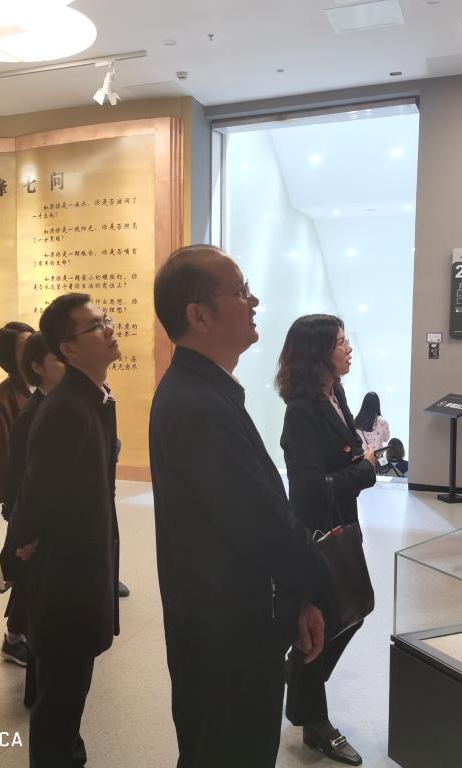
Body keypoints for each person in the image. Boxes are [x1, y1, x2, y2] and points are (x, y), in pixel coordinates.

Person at [149, 245, 329, 768]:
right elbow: (260, 521)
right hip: (225, 636)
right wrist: (319, 582)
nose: (254, 301)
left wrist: (299, 594)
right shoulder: (197, 404)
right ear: (199, 316)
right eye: (240, 291)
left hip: (230, 622)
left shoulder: (205, 391)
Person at [6, 293, 121, 767]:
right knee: (58, 704)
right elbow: (34, 497)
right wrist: (18, 550)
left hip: (84, 572)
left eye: (105, 319)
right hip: (66, 582)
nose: (109, 328)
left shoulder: (93, 398)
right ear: (68, 349)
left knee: (70, 696)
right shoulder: (66, 410)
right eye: (95, 326)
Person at [276, 314, 378, 766]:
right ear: (318, 353)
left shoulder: (334, 391)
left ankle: (299, 684)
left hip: (342, 526)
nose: (348, 348)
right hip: (315, 531)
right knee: (325, 622)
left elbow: (343, 453)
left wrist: (360, 458)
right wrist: (366, 470)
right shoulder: (301, 410)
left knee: (351, 612)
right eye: (340, 342)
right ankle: (314, 723)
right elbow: (312, 488)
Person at [0, 331, 66, 708]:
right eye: (58, 358)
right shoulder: (32, 413)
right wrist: (25, 530)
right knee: (34, 600)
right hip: (36, 529)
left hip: (45, 527)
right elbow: (22, 480)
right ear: (37, 367)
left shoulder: (60, 403)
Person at [0, 320, 35, 667]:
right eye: (24, 346)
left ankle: (22, 631)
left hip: (41, 493)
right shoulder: (5, 397)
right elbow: (0, 453)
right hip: (23, 496)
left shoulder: (41, 384)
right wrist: (9, 501)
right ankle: (14, 637)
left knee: (30, 564)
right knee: (25, 565)